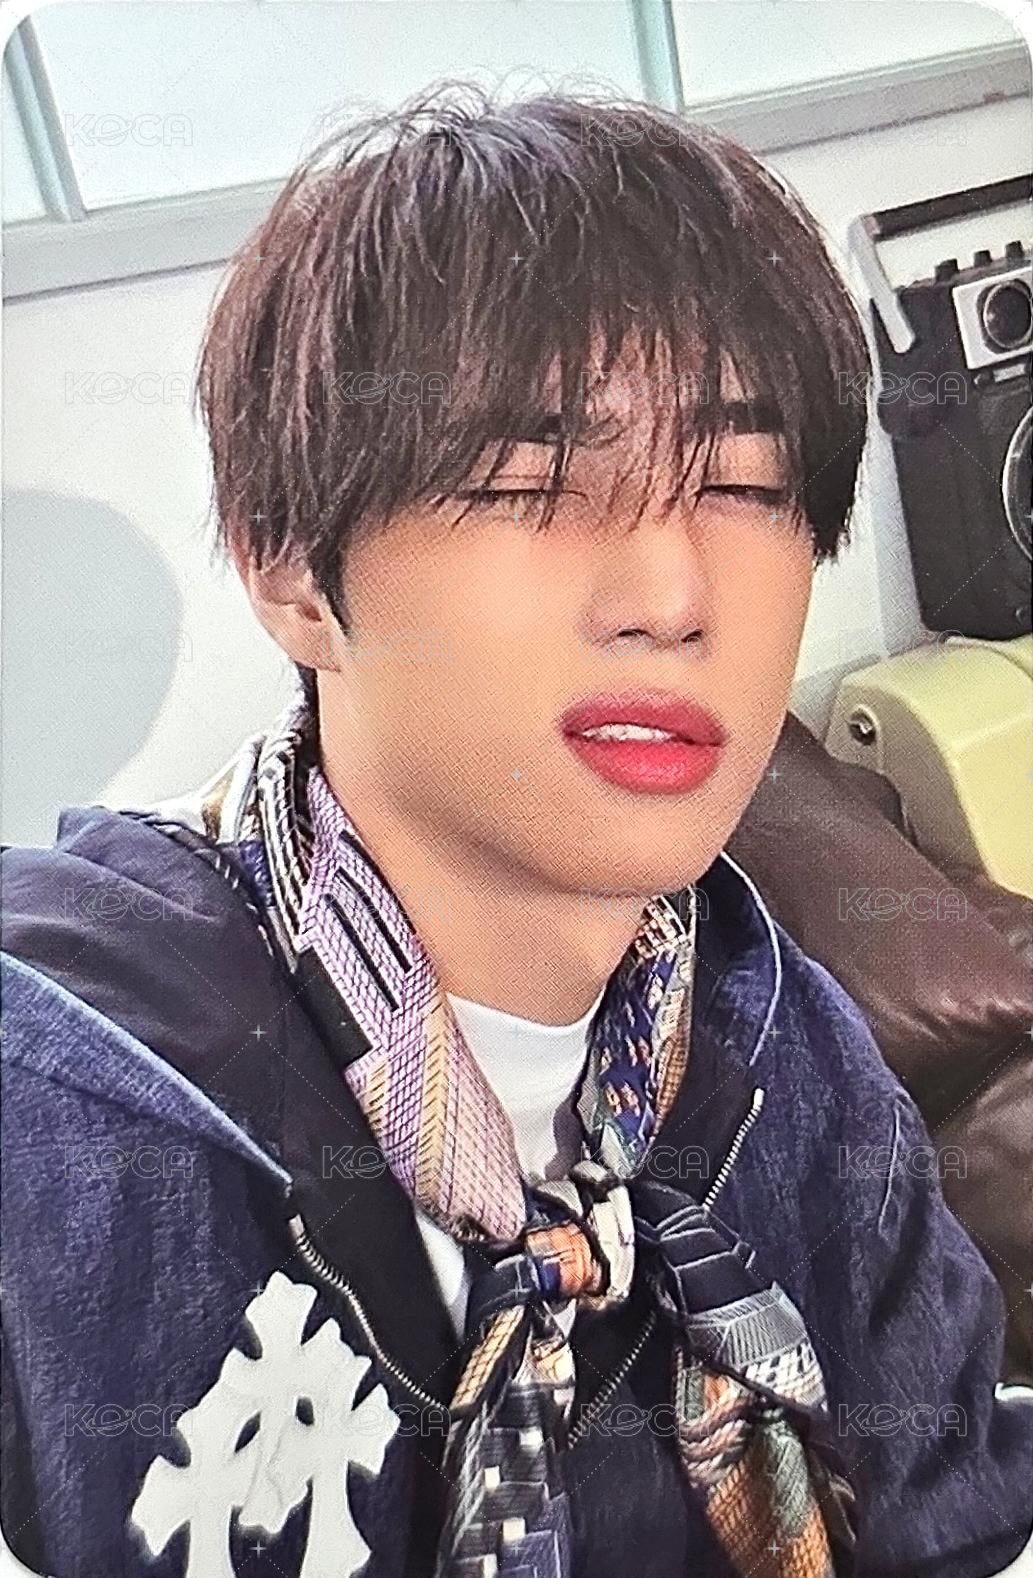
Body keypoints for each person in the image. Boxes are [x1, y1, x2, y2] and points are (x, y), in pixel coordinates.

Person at [2, 84, 1030, 1578]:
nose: (670, 596)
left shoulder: (791, 1062)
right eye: (530, 483)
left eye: (742, 485)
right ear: (290, 571)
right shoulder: (63, 1102)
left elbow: (959, 1516)